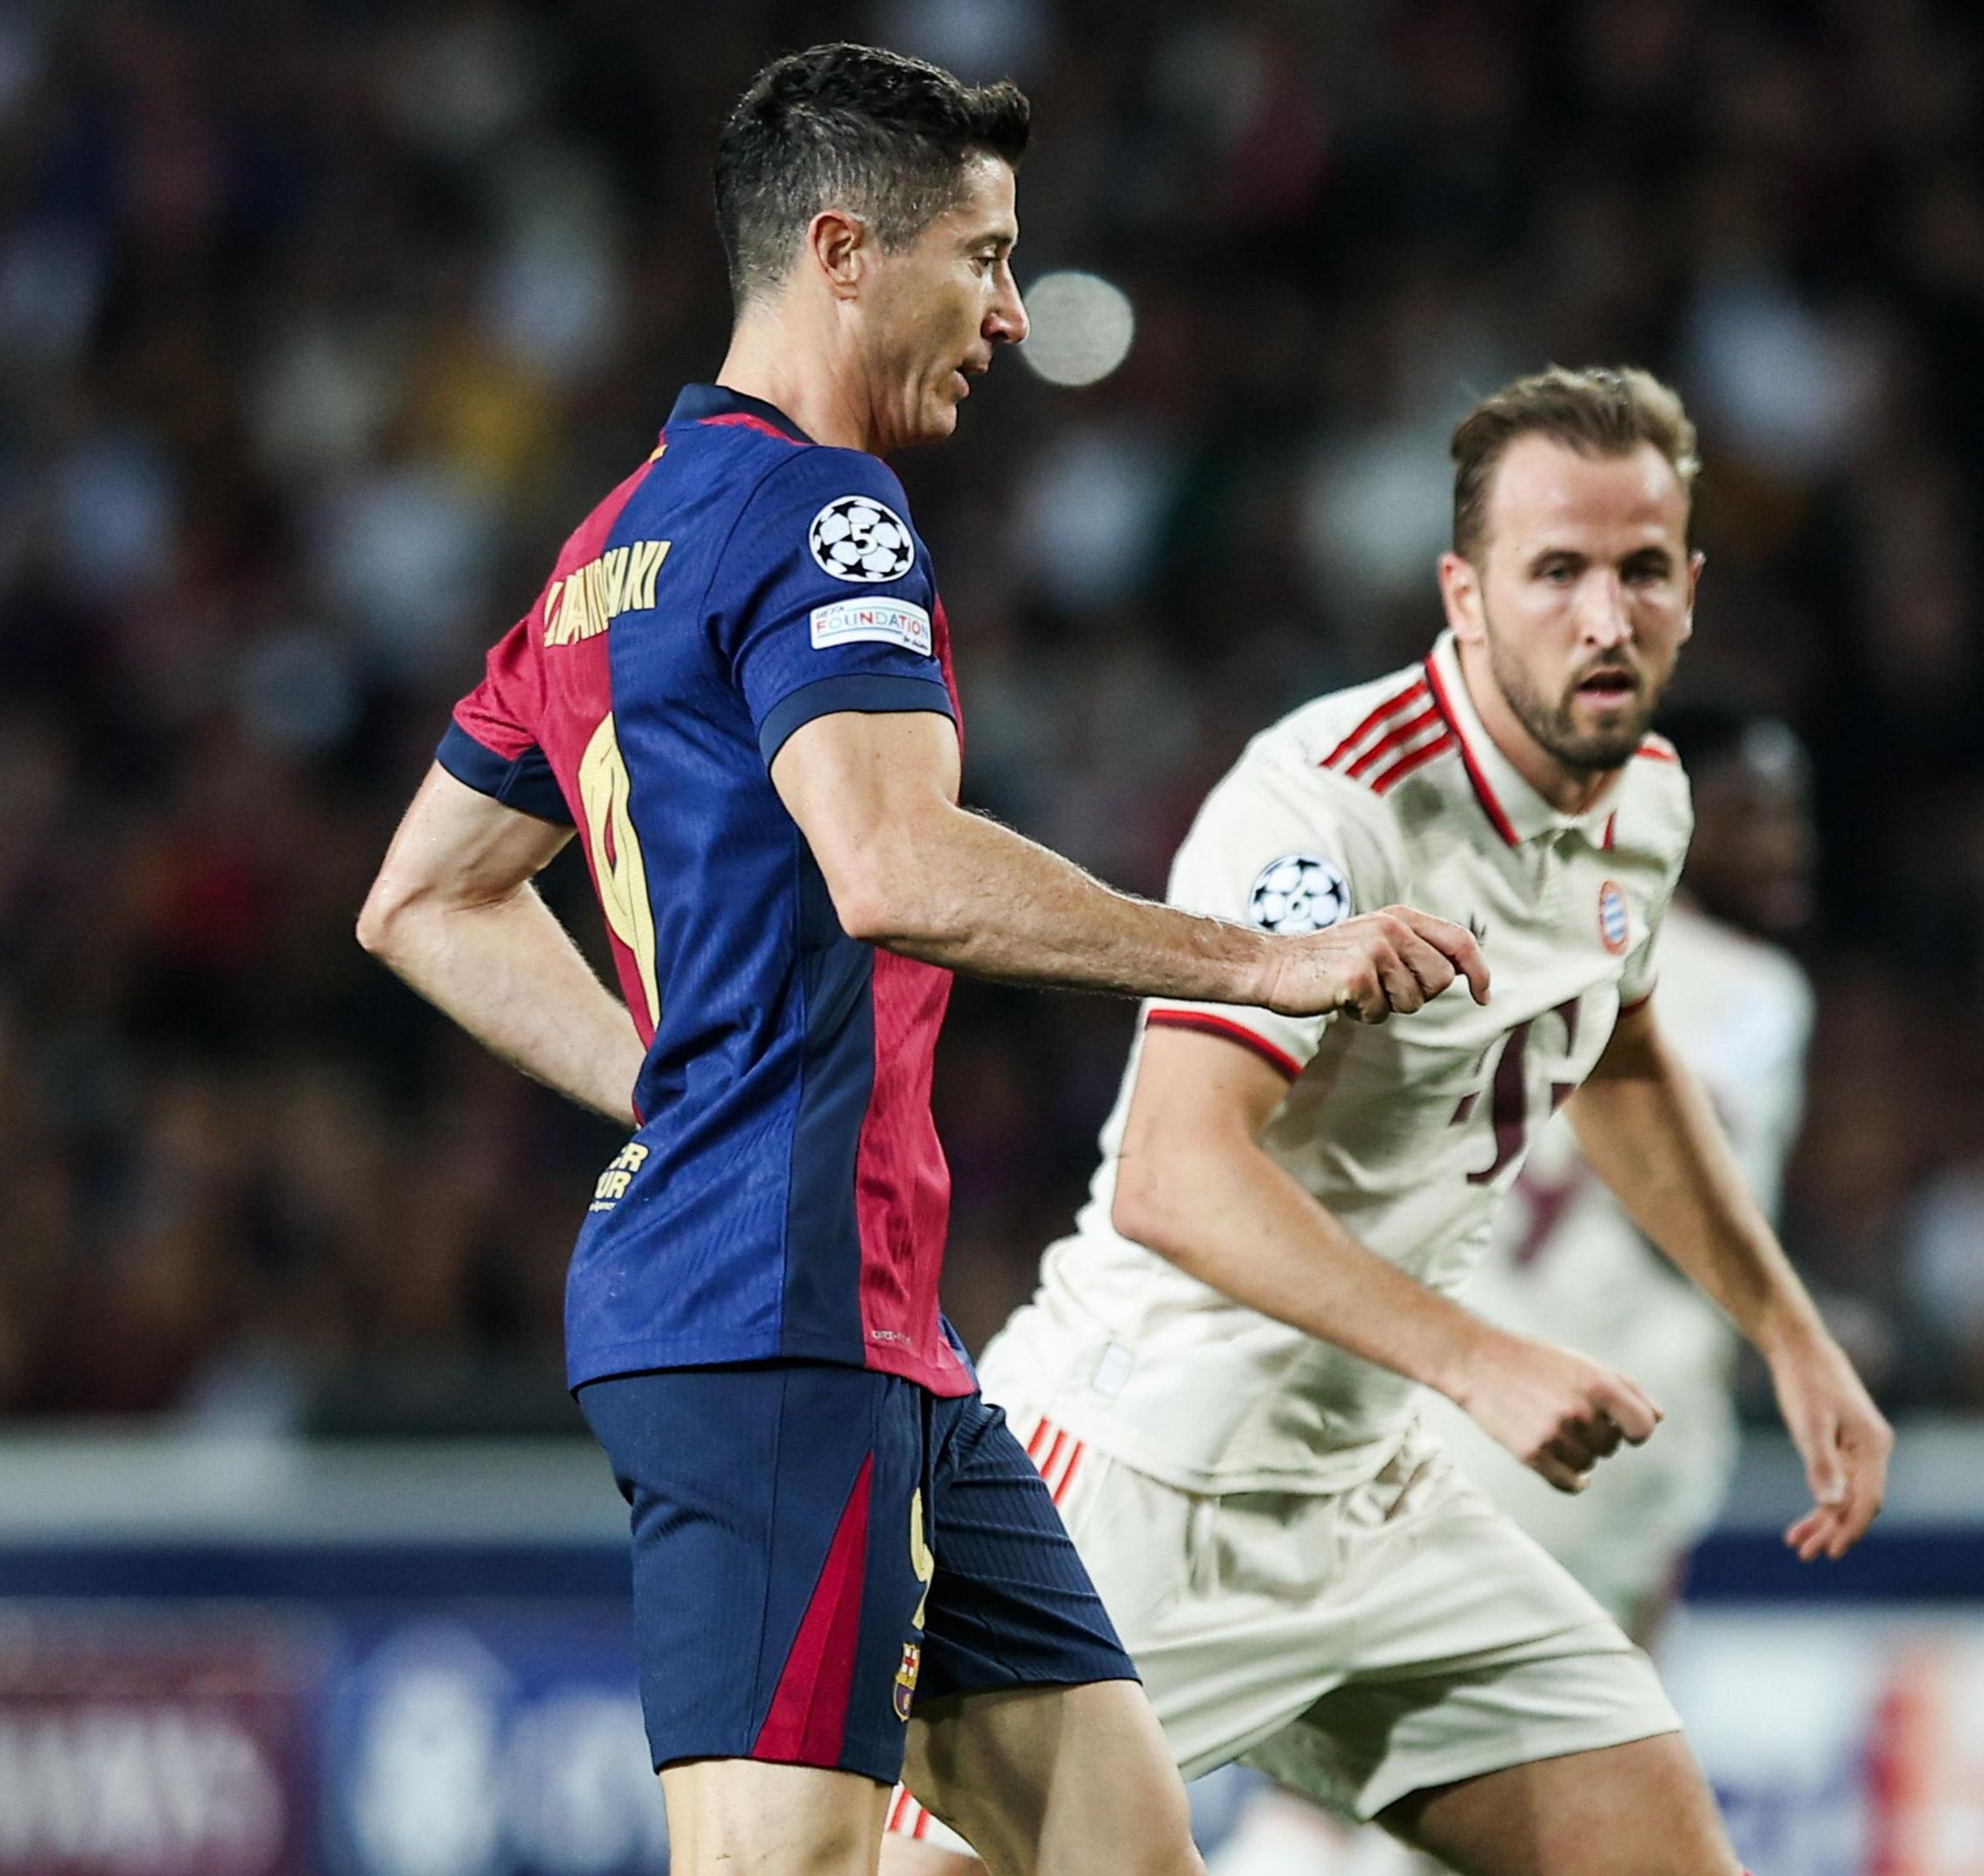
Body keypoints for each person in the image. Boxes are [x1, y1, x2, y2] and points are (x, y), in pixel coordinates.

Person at [354, 43, 1488, 1876]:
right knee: (779, 1862)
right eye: (984, 257)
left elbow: (423, 894)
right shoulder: (826, 514)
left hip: (865, 1326)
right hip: (774, 1310)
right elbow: (891, 866)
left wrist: (670, 1082)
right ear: (842, 252)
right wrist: (1252, 965)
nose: (1016, 315)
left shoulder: (605, 552)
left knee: (1120, 1849)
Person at [880, 367, 1891, 1876]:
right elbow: (1172, 1173)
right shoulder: (1330, 811)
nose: (1604, 617)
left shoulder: (1651, 804)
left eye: (1640, 572)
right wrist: (1479, 1361)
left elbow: (1609, 1047)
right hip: (1144, 1481)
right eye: (1557, 572)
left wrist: (1788, 1333)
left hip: (1369, 1499)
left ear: (1691, 587)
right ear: (1464, 595)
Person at [1214, 710, 1822, 1876]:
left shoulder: (1500, 930)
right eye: (1756, 810)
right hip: (1585, 1437)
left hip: (1419, 1409)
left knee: (1333, 1784)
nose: (1788, 841)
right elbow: (1687, 1224)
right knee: (1513, 1819)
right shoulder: (1751, 989)